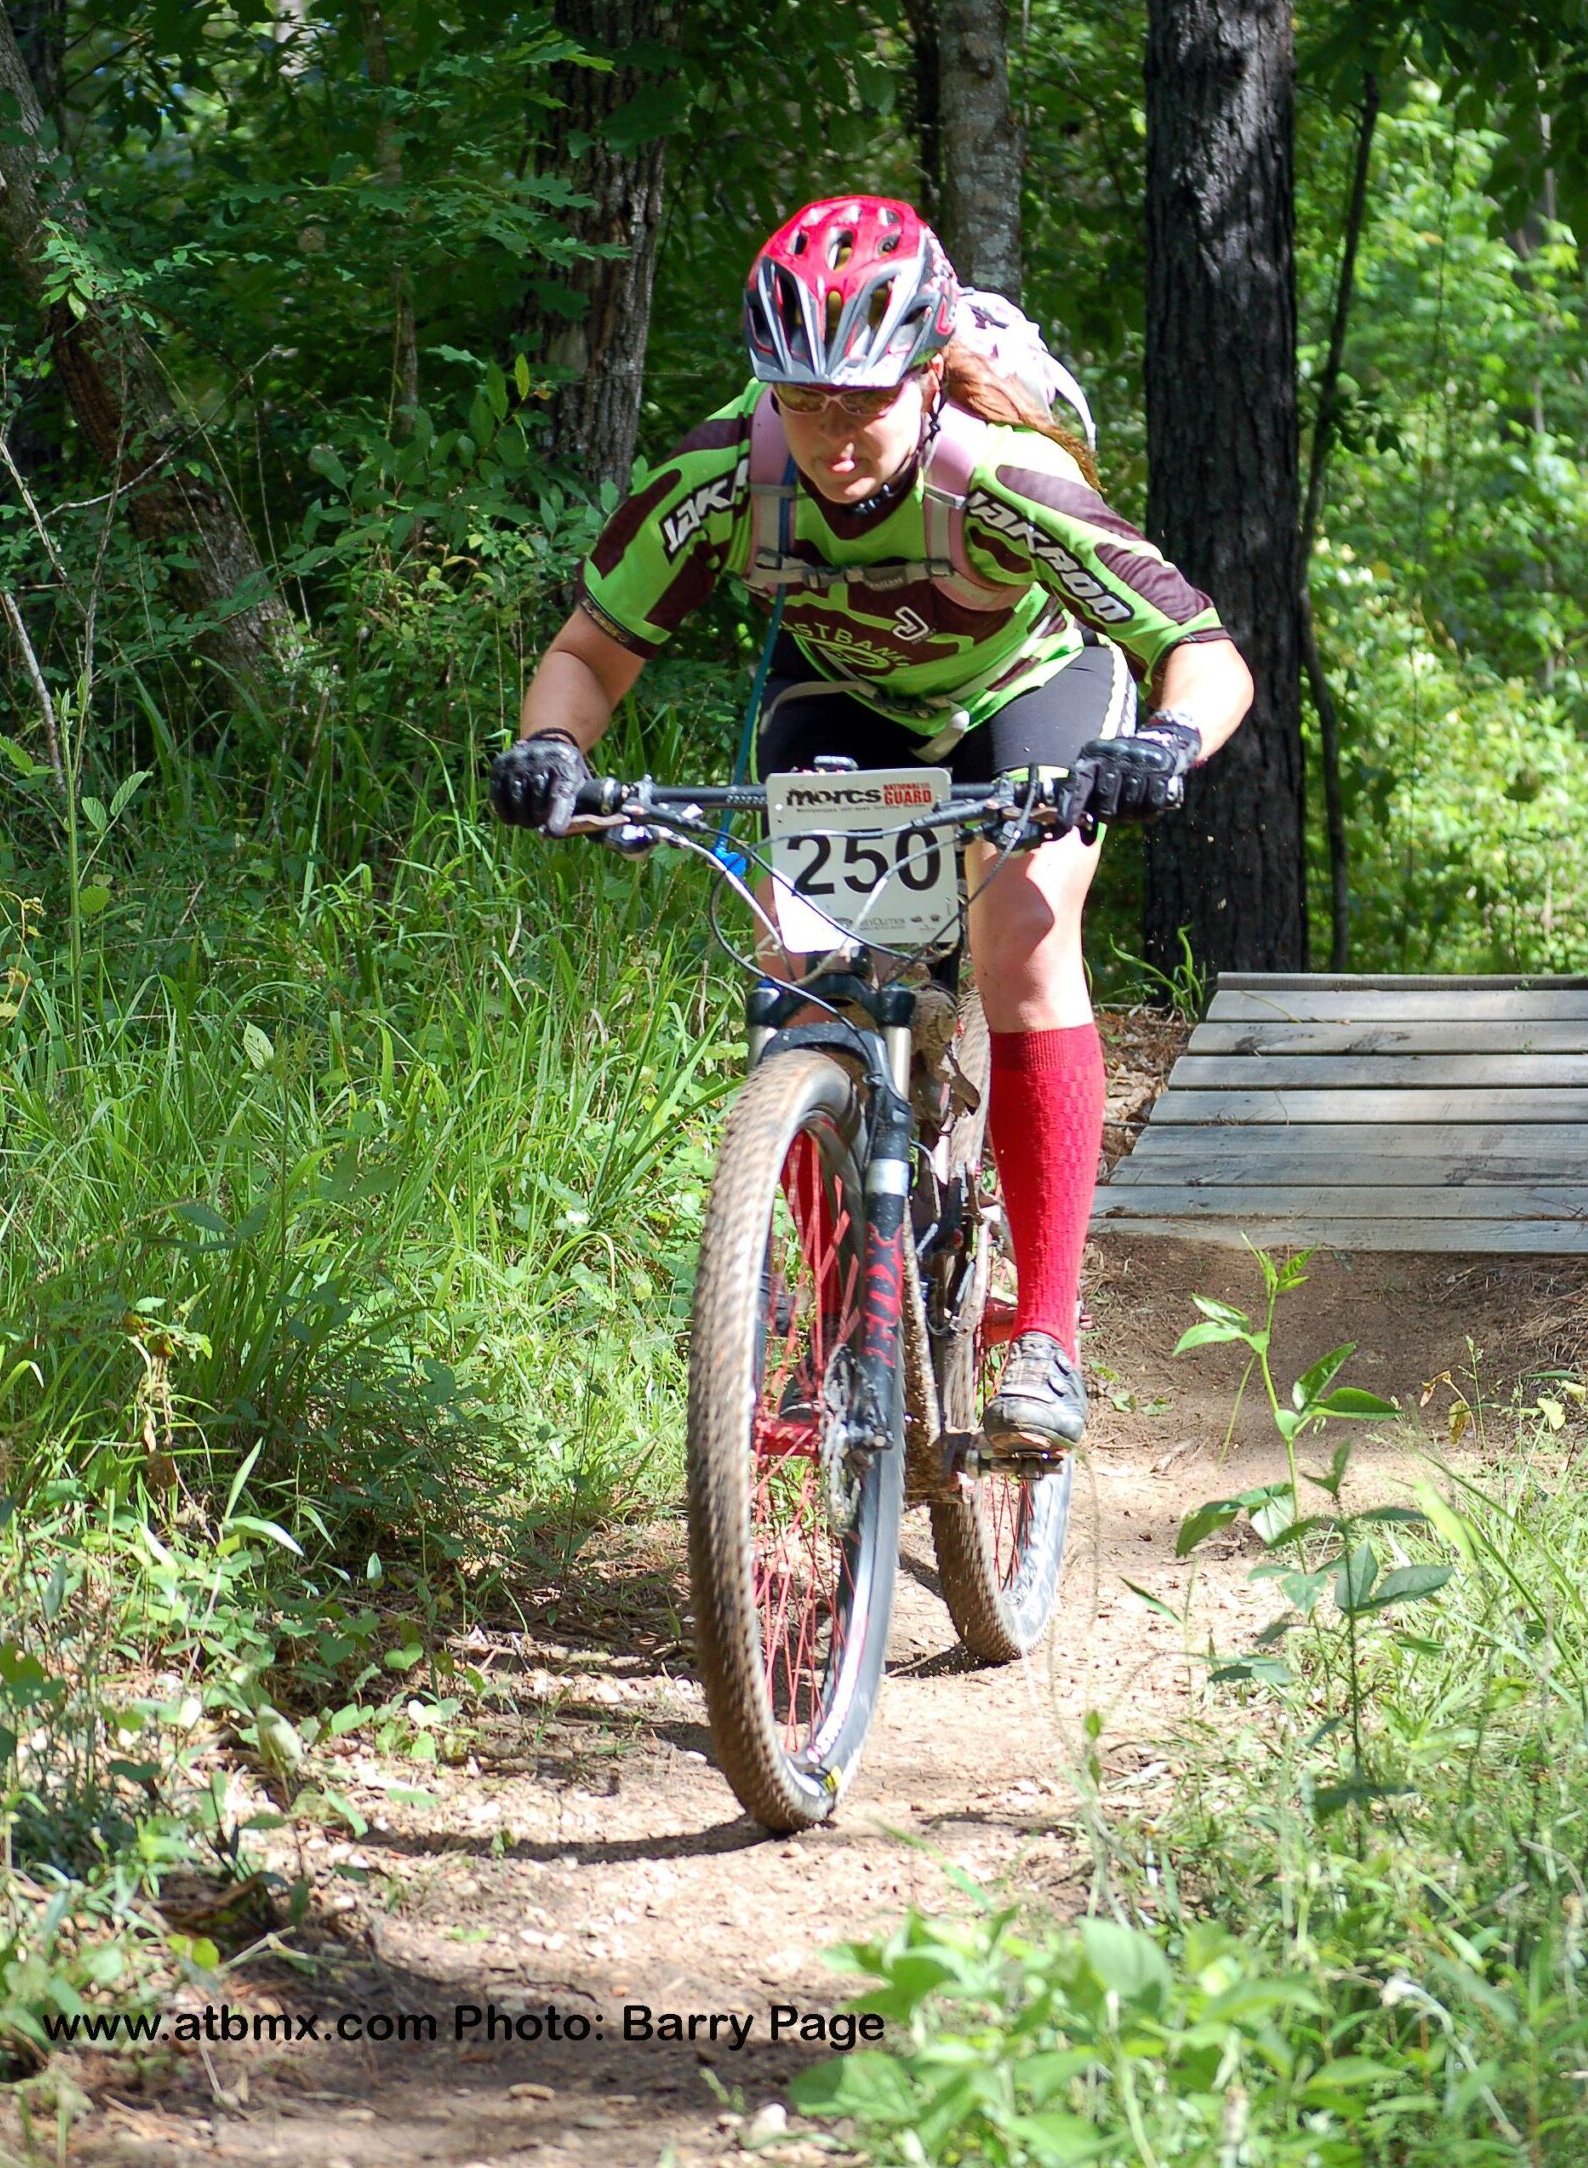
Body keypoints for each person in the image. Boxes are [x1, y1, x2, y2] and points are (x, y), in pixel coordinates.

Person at [492, 195, 1252, 1456]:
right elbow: (592, 647)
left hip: (1032, 688)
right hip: (846, 697)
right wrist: (553, 750)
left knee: (1018, 933)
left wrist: (1160, 745)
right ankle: (839, 1328)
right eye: (805, 404)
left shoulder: (1008, 476)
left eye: (863, 403)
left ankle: (1046, 1335)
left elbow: (1201, 650)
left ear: (925, 373)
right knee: (802, 974)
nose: (834, 438)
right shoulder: (726, 469)